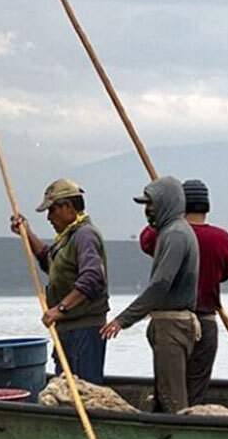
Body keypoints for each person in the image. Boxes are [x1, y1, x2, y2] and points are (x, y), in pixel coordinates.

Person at [100, 176, 199, 413]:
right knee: (164, 392)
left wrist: (122, 320)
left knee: (172, 398)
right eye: (146, 205)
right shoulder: (169, 232)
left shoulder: (175, 235)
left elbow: (161, 284)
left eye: (151, 204)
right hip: (167, 325)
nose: (147, 210)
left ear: (167, 204)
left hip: (172, 326)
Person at [138, 179, 228, 406]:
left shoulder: (167, 234)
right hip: (206, 323)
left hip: (172, 324)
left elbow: (145, 240)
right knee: (195, 395)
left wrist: (163, 211)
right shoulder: (222, 239)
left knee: (168, 395)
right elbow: (225, 275)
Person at [11, 178, 109, 384]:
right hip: (67, 329)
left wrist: (59, 309)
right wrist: (26, 233)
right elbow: (50, 262)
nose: (48, 217)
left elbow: (92, 278)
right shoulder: (68, 237)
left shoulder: (85, 235)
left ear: (68, 207)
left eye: (52, 210)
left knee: (85, 388)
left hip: (83, 330)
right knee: (65, 387)